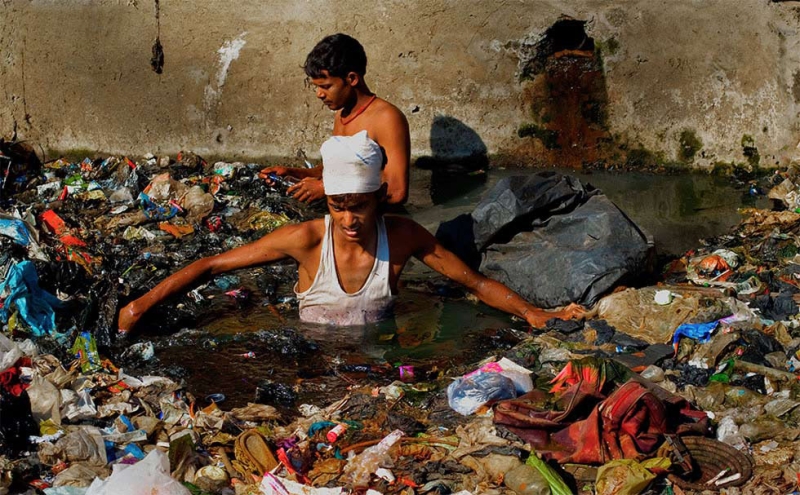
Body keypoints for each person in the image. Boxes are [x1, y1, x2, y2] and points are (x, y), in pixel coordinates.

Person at [118, 132, 583, 333]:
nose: (348, 220)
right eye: (337, 207)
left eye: (358, 207)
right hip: (313, 357)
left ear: (380, 197)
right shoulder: (306, 239)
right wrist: (139, 306)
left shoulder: (402, 237)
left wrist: (531, 313)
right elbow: (211, 264)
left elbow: (475, 283)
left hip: (378, 356)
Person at [259, 33, 410, 206]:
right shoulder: (342, 114)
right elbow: (336, 170)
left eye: (326, 86)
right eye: (316, 87)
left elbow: (396, 192)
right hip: (341, 213)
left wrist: (326, 188)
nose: (319, 94)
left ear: (352, 79)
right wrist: (292, 173)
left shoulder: (387, 118)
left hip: (369, 224)